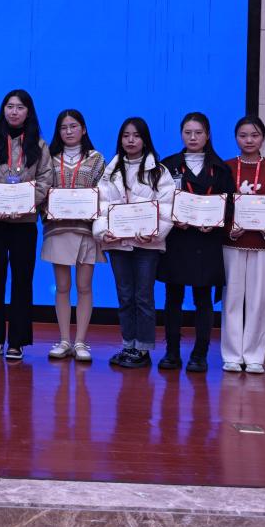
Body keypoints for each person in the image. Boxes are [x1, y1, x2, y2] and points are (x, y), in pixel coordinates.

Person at [95, 117, 175, 370]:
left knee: (143, 297)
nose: (131, 140)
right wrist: (103, 232)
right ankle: (128, 345)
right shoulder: (110, 171)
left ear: (145, 139)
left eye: (136, 135)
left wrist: (154, 232)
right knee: (125, 296)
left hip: (146, 246)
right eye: (126, 135)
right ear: (120, 139)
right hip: (118, 245)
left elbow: (167, 208)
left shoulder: (159, 172)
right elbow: (101, 206)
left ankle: (143, 349)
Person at [157, 112, 234, 373]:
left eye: (198, 133)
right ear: (181, 134)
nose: (193, 137)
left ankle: (200, 354)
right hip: (177, 240)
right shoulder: (168, 166)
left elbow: (230, 205)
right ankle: (171, 352)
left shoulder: (220, 168)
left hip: (207, 241)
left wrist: (216, 222)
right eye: (187, 132)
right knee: (173, 297)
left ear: (208, 135)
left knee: (203, 299)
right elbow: (159, 201)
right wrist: (172, 218)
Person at [0, 89, 53, 361]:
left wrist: (23, 203)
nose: (14, 111)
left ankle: (17, 341)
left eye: (20, 107)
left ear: (28, 112)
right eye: (9, 106)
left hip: (24, 222)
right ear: (3, 110)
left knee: (22, 280)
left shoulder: (39, 145)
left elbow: (46, 179)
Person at [221, 116, 265, 374]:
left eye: (255, 135)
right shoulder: (226, 167)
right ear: (236, 138)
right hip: (232, 244)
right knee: (232, 299)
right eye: (243, 135)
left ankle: (254, 356)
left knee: (258, 301)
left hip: (263, 245)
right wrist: (228, 229)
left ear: (263, 138)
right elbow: (219, 205)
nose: (249, 140)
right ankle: (231, 355)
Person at [43, 109, 106, 363]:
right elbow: (42, 192)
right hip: (57, 229)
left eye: (73, 126)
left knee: (84, 287)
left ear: (84, 129)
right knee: (62, 287)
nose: (68, 131)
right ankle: (64, 340)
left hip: (86, 231)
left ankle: (80, 341)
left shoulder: (97, 159)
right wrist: (47, 208)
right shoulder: (49, 158)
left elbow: (104, 194)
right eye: (63, 127)